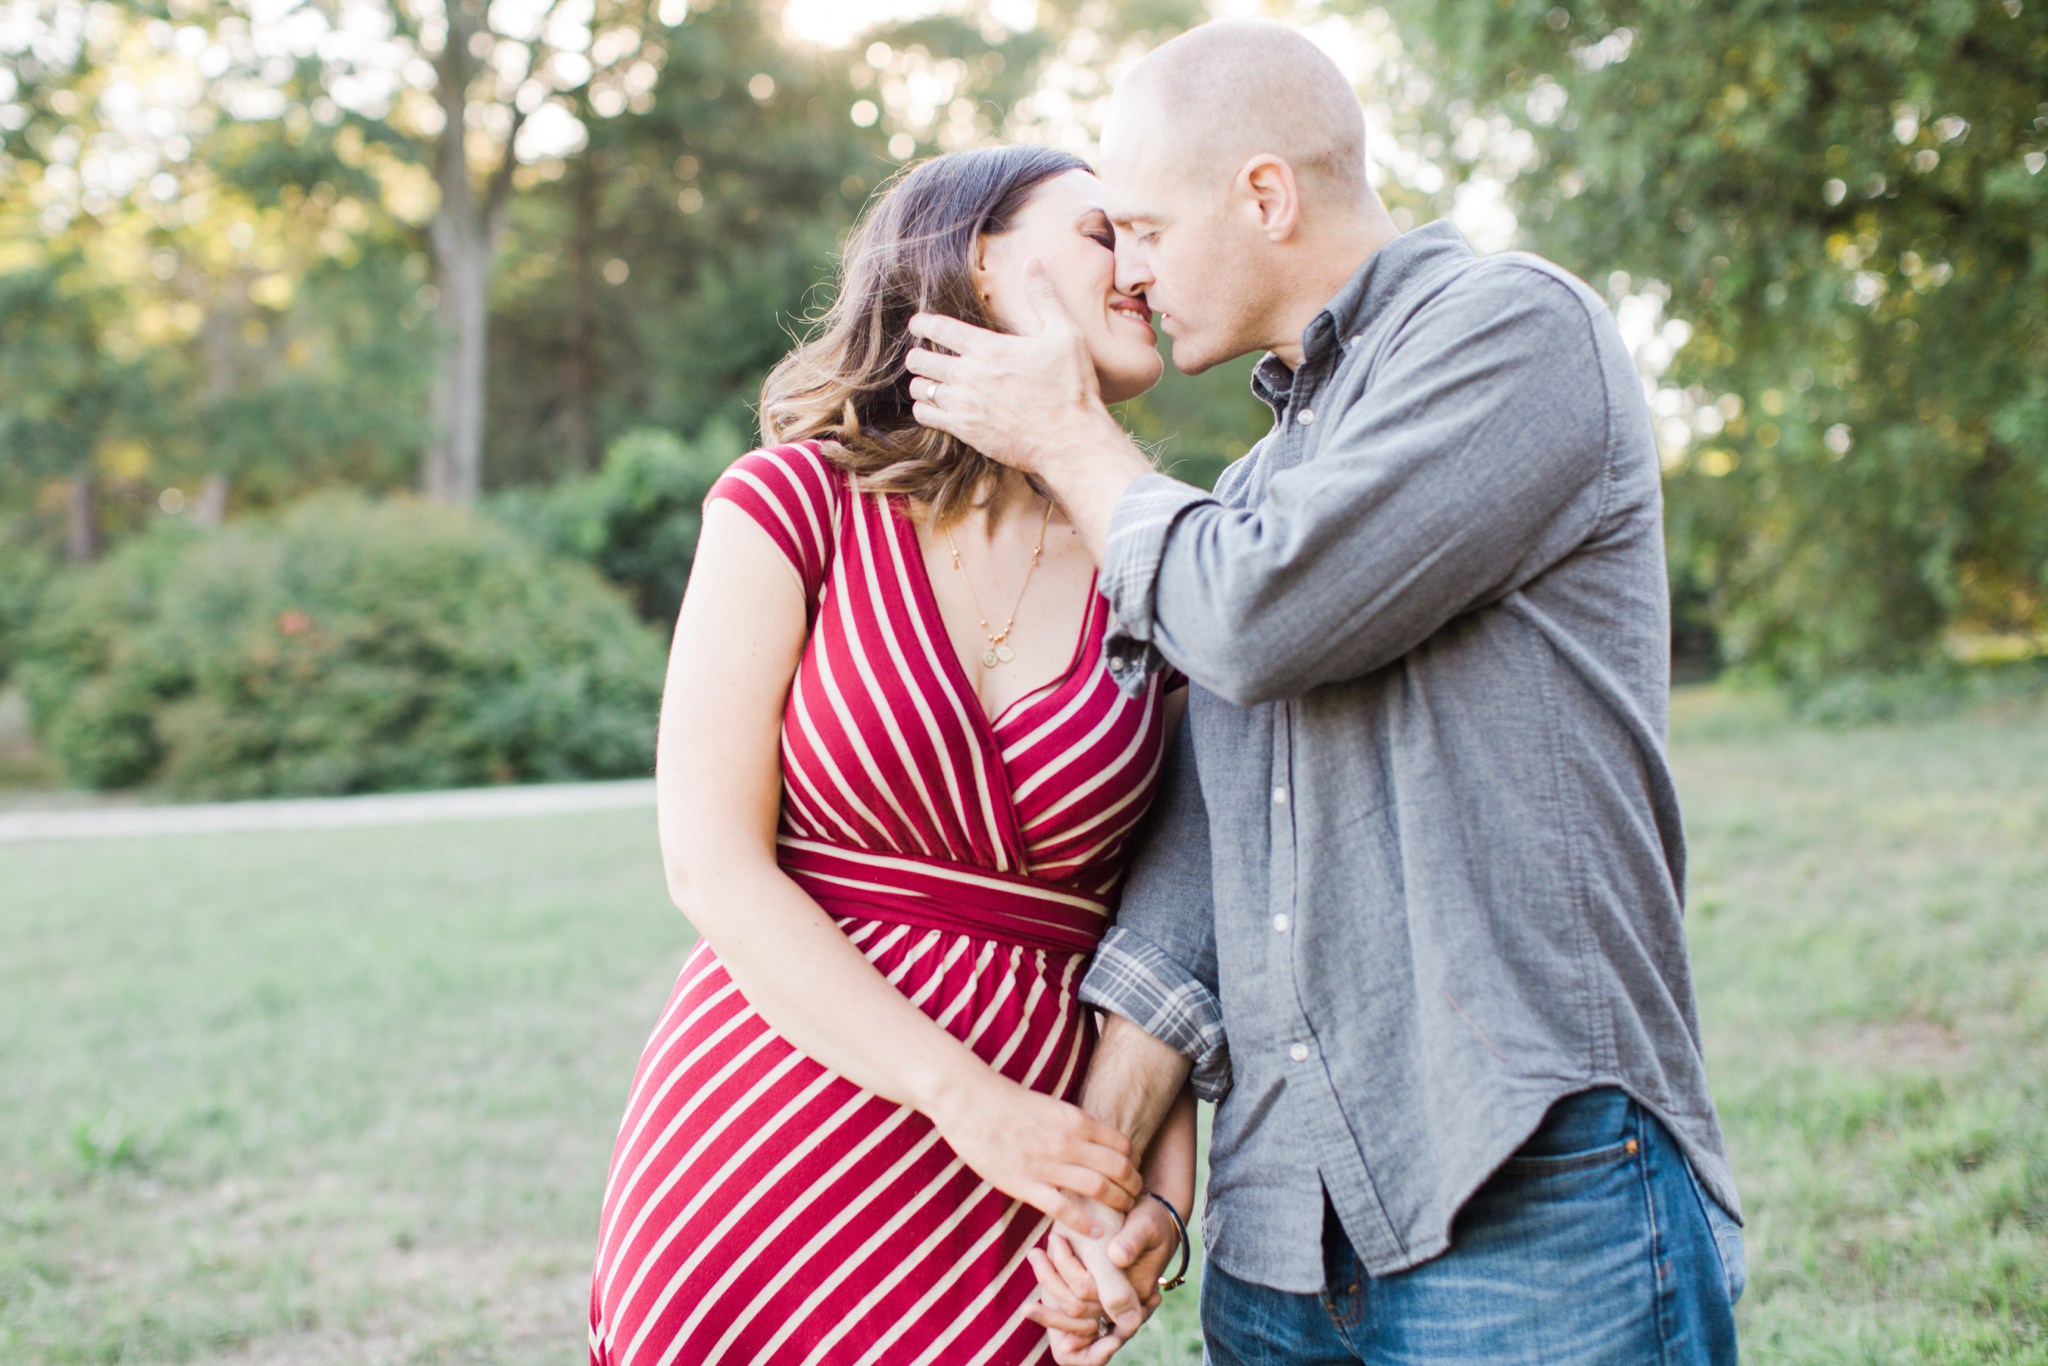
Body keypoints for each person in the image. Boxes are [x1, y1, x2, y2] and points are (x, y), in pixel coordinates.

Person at [904, 20, 1747, 1366]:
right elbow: (1202, 830)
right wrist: (1111, 1166)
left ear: (1265, 196)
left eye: (1143, 227)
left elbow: (1256, 613)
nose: (1127, 269)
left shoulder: (1520, 332)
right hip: (1283, 1229)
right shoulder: (1242, 495)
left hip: (1532, 1180)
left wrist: (1067, 431)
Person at [586, 144, 1200, 1366]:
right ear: (977, 260)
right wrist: (966, 1103)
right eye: (1097, 234)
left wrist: (1152, 1204)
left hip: (1019, 1185)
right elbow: (709, 863)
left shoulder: (1173, 559)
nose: (1138, 264)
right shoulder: (791, 505)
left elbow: (1180, 919)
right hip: (769, 1125)